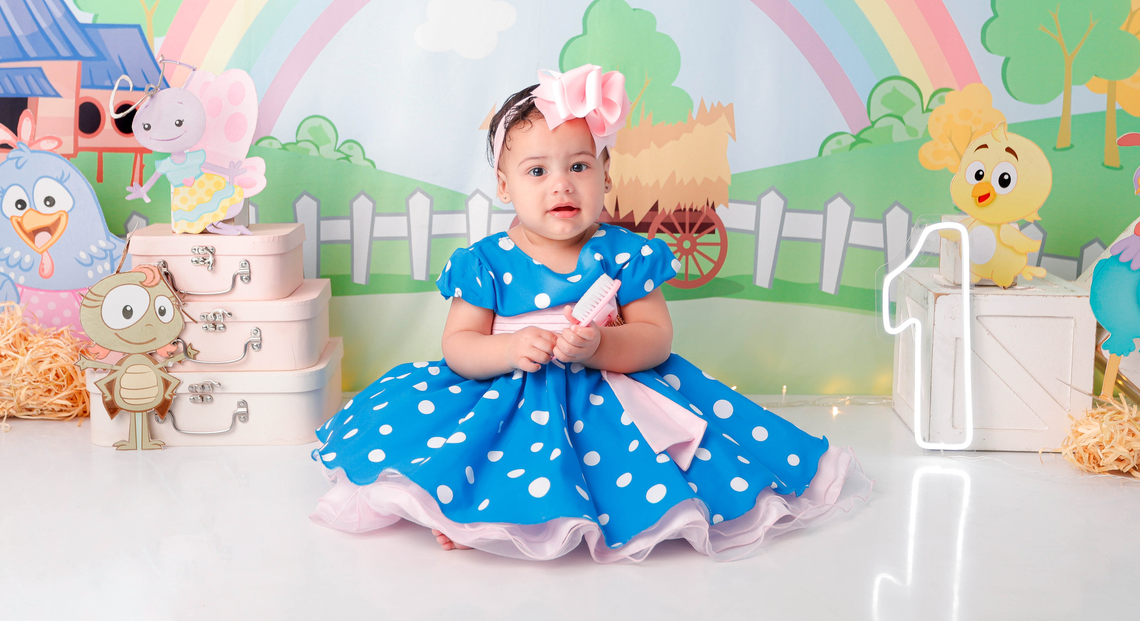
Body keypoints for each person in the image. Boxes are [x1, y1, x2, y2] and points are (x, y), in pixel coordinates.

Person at [310, 65, 869, 562]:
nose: (561, 184)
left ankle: (599, 515)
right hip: (510, 393)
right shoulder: (485, 262)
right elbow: (458, 346)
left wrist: (603, 346)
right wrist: (508, 348)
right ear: (504, 185)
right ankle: (472, 518)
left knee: (619, 464)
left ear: (606, 175)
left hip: (608, 395)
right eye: (536, 171)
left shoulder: (625, 253)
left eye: (579, 166)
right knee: (494, 451)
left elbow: (656, 337)